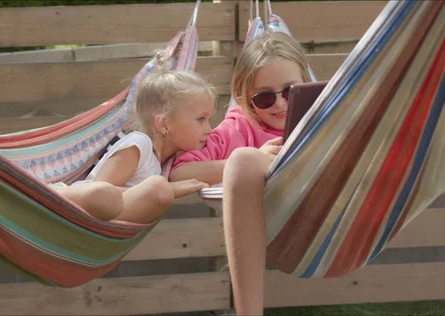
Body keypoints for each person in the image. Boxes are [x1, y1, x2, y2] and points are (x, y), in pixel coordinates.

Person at [169, 31, 313, 314]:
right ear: (243, 97)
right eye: (264, 98)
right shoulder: (237, 130)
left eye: (289, 91)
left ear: (306, 84)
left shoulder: (320, 121)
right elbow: (178, 174)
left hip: (316, 219)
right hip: (261, 223)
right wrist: (244, 164)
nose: (280, 104)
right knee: (245, 159)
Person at [56, 51, 215, 224]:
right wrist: (170, 189)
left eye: (209, 120)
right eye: (201, 119)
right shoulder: (139, 145)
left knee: (157, 190)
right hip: (71, 209)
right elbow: (100, 191)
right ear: (164, 125)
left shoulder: (162, 163)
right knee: (146, 191)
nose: (210, 129)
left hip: (98, 227)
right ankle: (54, 194)